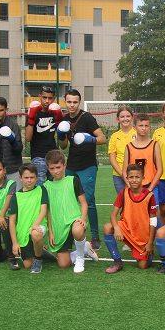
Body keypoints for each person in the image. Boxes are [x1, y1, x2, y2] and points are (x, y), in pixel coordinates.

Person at [59, 88, 105, 247]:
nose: (72, 105)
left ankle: (95, 237)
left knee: (89, 200)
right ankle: (72, 232)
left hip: (88, 165)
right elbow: (63, 146)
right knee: (70, 200)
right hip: (71, 165)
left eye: (75, 102)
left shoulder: (87, 118)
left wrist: (88, 139)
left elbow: (102, 138)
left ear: (79, 102)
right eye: (69, 102)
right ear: (65, 102)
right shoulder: (64, 119)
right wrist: (61, 135)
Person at [103, 163, 157, 274]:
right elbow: (113, 214)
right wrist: (117, 228)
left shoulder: (149, 195)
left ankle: (148, 253)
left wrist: (150, 242)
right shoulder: (123, 192)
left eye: (137, 177)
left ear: (143, 178)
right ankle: (117, 262)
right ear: (127, 178)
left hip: (142, 236)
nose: (134, 180)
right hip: (126, 228)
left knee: (143, 266)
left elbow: (153, 221)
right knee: (108, 227)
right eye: (131, 177)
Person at [44, 150, 91, 273]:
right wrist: (50, 232)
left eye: (58, 167)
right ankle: (84, 249)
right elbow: (47, 212)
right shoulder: (46, 186)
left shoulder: (73, 180)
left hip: (74, 220)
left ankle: (80, 258)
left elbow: (84, 203)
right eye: (52, 168)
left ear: (64, 165)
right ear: (48, 169)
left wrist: (83, 219)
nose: (56, 171)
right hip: (58, 226)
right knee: (63, 264)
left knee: (77, 230)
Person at [8, 163, 50, 274]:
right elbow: (12, 222)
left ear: (36, 178)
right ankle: (41, 251)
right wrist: (15, 243)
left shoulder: (42, 190)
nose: (29, 180)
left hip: (39, 227)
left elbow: (44, 210)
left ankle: (38, 260)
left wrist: (35, 225)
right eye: (26, 177)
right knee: (27, 265)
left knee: (36, 233)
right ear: (21, 178)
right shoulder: (16, 196)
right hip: (23, 233)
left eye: (32, 177)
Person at [25, 86, 64, 183]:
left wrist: (59, 121)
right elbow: (28, 138)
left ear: (54, 99)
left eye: (50, 98)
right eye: (44, 97)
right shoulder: (34, 112)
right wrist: (31, 119)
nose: (47, 101)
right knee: (40, 185)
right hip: (38, 155)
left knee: (55, 185)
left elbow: (63, 141)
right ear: (40, 97)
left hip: (53, 154)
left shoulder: (55, 112)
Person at [0, 96, 23, 187]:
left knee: (15, 198)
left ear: (6, 109)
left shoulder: (13, 125)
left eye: (1, 110)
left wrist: (12, 140)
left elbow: (19, 150)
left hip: (13, 168)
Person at [124, 113, 162, 194]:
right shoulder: (129, 146)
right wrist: (130, 186)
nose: (143, 128)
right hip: (133, 189)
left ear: (149, 127)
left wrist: (150, 189)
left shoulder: (155, 145)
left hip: (151, 188)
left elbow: (160, 169)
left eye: (146, 126)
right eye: (141, 126)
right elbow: (124, 171)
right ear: (134, 127)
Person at [108, 106, 136, 194]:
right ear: (118, 119)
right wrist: (122, 174)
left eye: (128, 116)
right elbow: (112, 158)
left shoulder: (138, 134)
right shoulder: (114, 136)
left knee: (137, 201)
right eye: (122, 117)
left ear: (132, 117)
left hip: (136, 175)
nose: (125, 119)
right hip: (118, 175)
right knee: (123, 202)